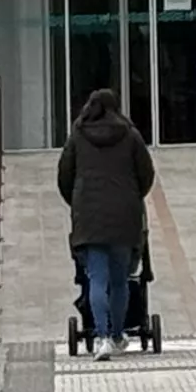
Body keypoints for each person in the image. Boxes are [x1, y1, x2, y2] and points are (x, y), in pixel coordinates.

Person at [59, 86, 156, 356]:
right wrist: (134, 196)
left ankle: (101, 336)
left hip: (89, 218)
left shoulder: (78, 135)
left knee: (96, 279)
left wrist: (77, 201)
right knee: (120, 281)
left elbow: (64, 174)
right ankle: (116, 334)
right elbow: (146, 174)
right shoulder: (130, 134)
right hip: (124, 216)